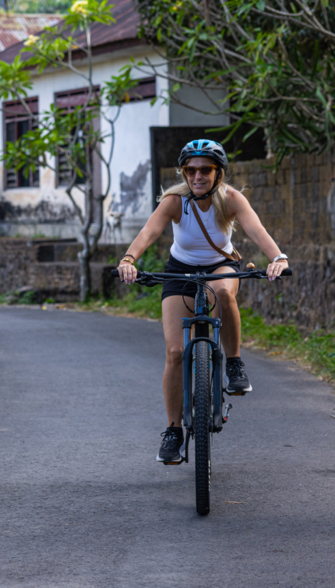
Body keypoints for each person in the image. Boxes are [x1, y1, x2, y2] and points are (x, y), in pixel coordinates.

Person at [117, 139, 289, 464]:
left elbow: (257, 231)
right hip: (180, 270)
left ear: (218, 173)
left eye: (205, 169)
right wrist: (129, 259)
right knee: (174, 352)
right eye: (191, 170)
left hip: (219, 266)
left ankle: (234, 363)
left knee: (224, 291)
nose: (197, 176)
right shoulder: (175, 201)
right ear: (184, 172)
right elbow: (149, 232)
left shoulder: (231, 199)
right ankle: (173, 430)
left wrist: (278, 257)